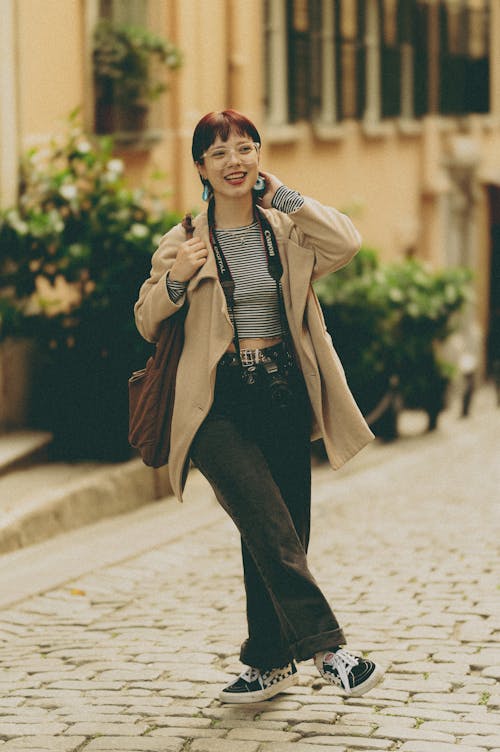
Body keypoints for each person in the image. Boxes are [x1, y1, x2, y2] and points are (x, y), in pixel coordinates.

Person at [134, 109, 384, 703]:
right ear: (201, 167)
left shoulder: (285, 230)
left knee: (278, 533)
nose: (234, 162)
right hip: (217, 405)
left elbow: (346, 241)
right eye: (219, 153)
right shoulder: (185, 239)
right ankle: (329, 650)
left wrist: (286, 195)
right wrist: (177, 281)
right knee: (269, 525)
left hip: (283, 393)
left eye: (245, 149)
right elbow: (146, 319)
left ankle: (268, 662)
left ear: (258, 158)